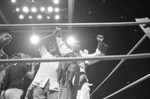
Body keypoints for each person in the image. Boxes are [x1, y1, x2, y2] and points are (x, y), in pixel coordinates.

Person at [53, 28, 108, 99]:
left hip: (79, 75)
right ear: (71, 45)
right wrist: (58, 33)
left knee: (83, 87)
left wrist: (100, 43)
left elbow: (97, 56)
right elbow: (61, 45)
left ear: (79, 46)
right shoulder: (67, 52)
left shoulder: (84, 56)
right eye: (74, 43)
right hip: (66, 78)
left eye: (77, 43)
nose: (76, 44)